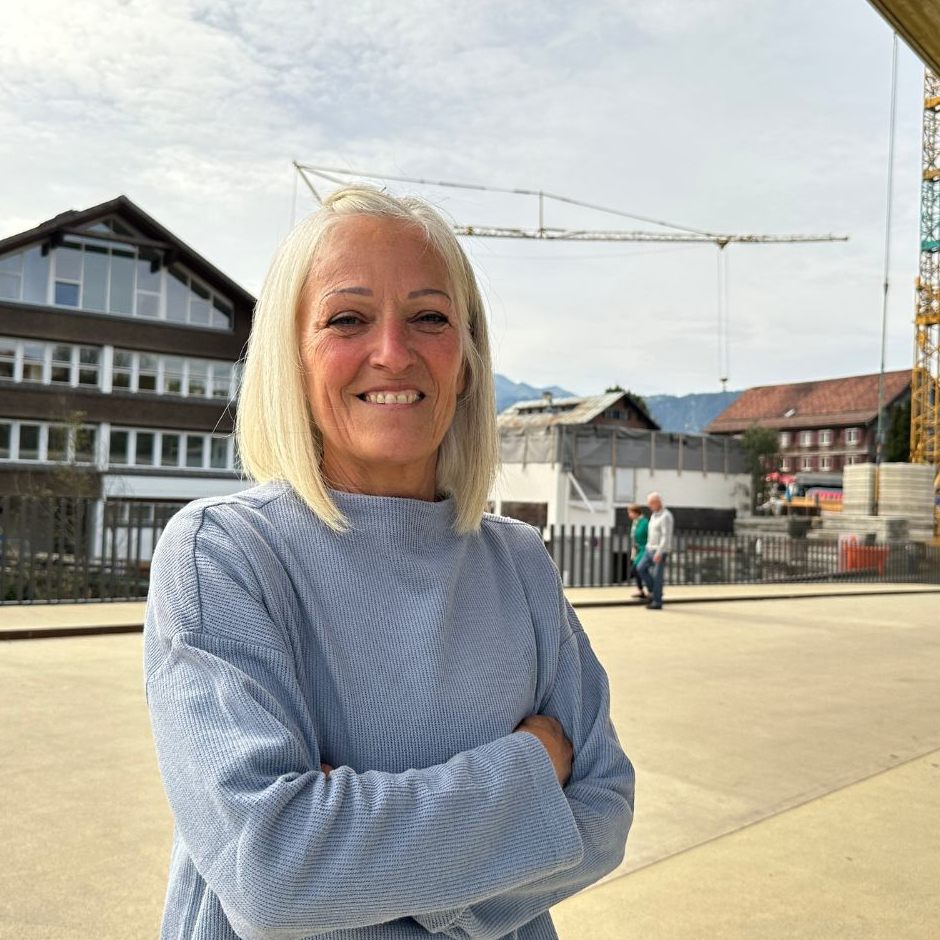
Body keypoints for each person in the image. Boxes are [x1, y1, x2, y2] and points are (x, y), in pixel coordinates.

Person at [144, 186, 634, 940]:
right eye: (348, 319)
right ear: (292, 357)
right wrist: (530, 777)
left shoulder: (521, 563)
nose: (393, 352)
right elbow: (273, 873)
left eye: (430, 318)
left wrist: (365, 858)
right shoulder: (223, 555)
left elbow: (603, 812)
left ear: (467, 360)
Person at [635, 491, 674, 610]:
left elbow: (666, 536)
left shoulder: (666, 516)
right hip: (649, 549)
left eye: (651, 503)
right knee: (640, 568)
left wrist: (660, 552)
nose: (649, 506)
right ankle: (656, 592)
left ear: (658, 502)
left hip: (659, 551)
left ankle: (657, 602)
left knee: (657, 576)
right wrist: (647, 546)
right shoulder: (653, 515)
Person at [626, 504, 649, 601]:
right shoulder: (635, 522)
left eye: (630, 513)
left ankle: (651, 589)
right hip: (637, 549)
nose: (629, 515)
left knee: (635, 569)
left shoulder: (644, 522)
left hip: (645, 549)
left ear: (635, 512)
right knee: (638, 570)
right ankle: (641, 591)